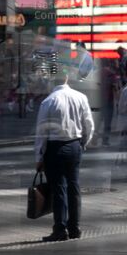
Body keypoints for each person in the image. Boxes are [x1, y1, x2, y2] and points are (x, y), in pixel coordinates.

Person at [34, 71, 94, 241]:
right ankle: (74, 227)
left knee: (59, 188)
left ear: (53, 81)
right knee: (74, 187)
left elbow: (41, 132)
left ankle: (60, 229)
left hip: (55, 147)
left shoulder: (49, 101)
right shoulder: (80, 97)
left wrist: (39, 157)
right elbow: (88, 124)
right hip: (74, 145)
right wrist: (83, 142)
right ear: (67, 78)